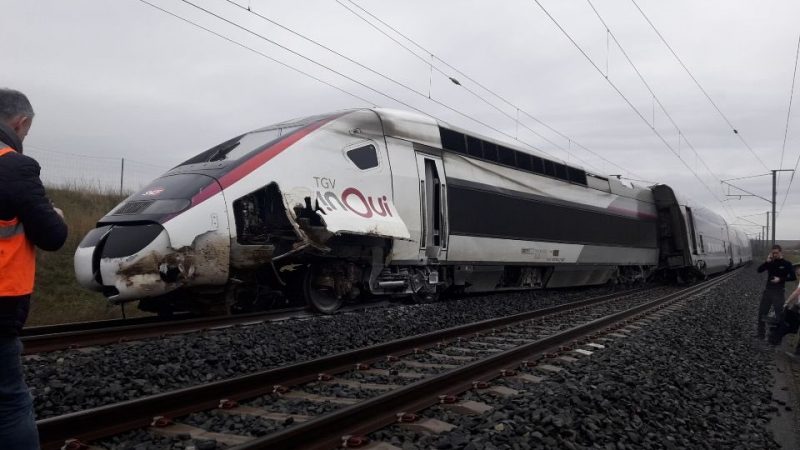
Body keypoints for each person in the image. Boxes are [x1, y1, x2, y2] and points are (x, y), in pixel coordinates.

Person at [0, 88, 67, 449]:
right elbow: (53, 236)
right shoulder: (13, 165)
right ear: (21, 122)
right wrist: (54, 214)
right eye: (26, 131)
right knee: (10, 403)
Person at [756, 245, 797, 339]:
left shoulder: (787, 264)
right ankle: (760, 335)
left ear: (780, 252)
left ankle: (776, 337)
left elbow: (793, 277)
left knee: (780, 316)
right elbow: (759, 270)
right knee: (762, 313)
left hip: (779, 293)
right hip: (768, 292)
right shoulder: (770, 263)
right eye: (773, 253)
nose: (774, 255)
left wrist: (780, 279)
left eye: (776, 253)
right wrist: (766, 261)